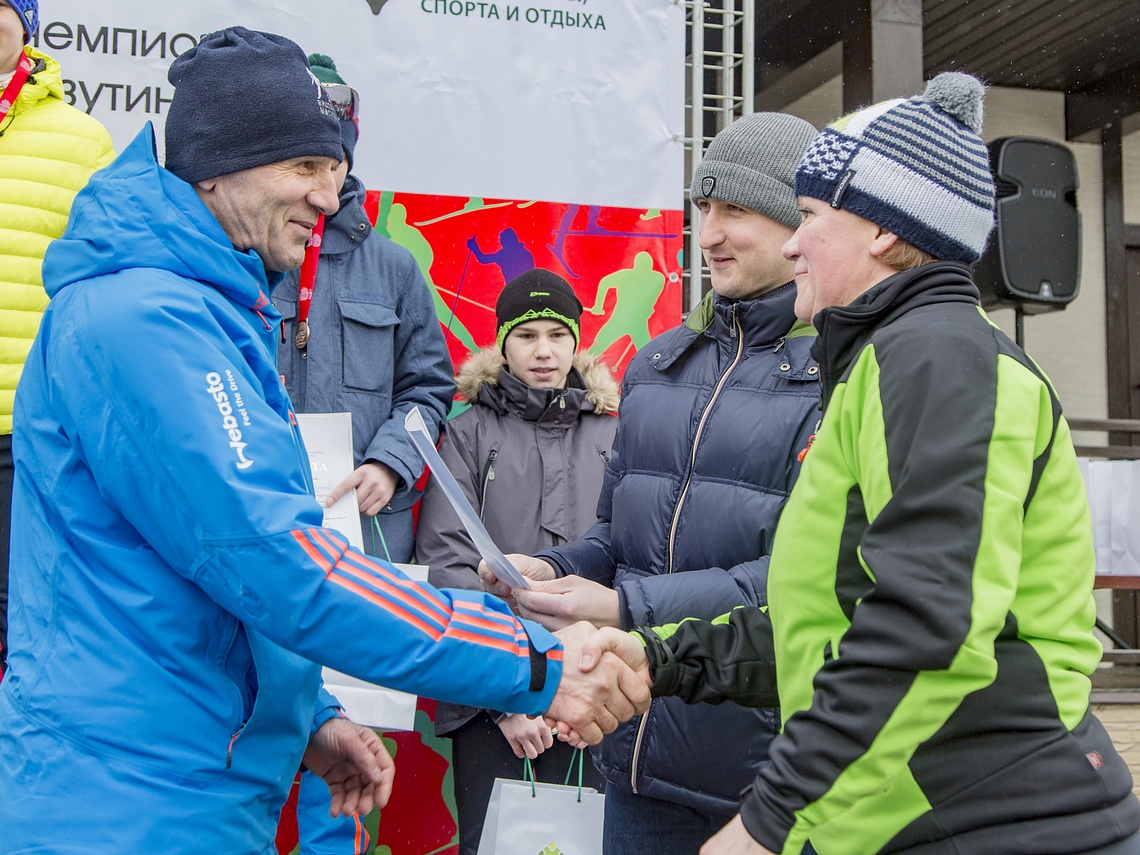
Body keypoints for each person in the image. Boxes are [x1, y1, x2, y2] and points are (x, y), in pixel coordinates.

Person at [0, 27, 650, 854]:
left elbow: (200, 574)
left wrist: (308, 716)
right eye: (306, 166)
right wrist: (534, 661)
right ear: (221, 164)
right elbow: (278, 562)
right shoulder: (145, 321)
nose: (330, 195)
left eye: (337, 169)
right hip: (123, 804)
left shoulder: (202, 306)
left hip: (176, 786)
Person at [579, 72, 1140, 855]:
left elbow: (924, 626)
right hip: (909, 817)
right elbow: (829, 617)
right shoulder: (886, 361)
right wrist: (660, 653)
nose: (796, 240)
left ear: (881, 230)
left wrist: (765, 821)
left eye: (808, 216)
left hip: (991, 821)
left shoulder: (937, 358)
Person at [483, 113, 822, 854]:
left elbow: (804, 580)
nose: (711, 234)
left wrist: (622, 605)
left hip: (769, 777)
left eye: (735, 209)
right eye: (704, 209)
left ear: (799, 220)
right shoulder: (659, 363)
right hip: (637, 763)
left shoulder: (838, 375)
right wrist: (558, 567)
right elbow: (618, 538)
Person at [271, 53, 456, 853]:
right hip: (262, 528)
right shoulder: (248, 257)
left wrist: (389, 462)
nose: (324, 176)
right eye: (303, 157)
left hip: (363, 543)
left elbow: (432, 389)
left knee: (343, 737)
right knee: (240, 714)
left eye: (335, 156)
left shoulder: (394, 266)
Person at [416, 269, 617, 855]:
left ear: (577, 341)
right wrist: (509, 692)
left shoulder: (616, 435)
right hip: (496, 705)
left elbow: (638, 559)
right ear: (502, 343)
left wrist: (603, 680)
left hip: (600, 696)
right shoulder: (469, 434)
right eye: (528, 335)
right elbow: (447, 565)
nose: (545, 351)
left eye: (558, 333)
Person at [0, 0, 113, 675]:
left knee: (19, 619)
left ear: (27, 25)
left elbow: (97, 283)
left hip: (22, 422)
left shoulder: (80, 139)